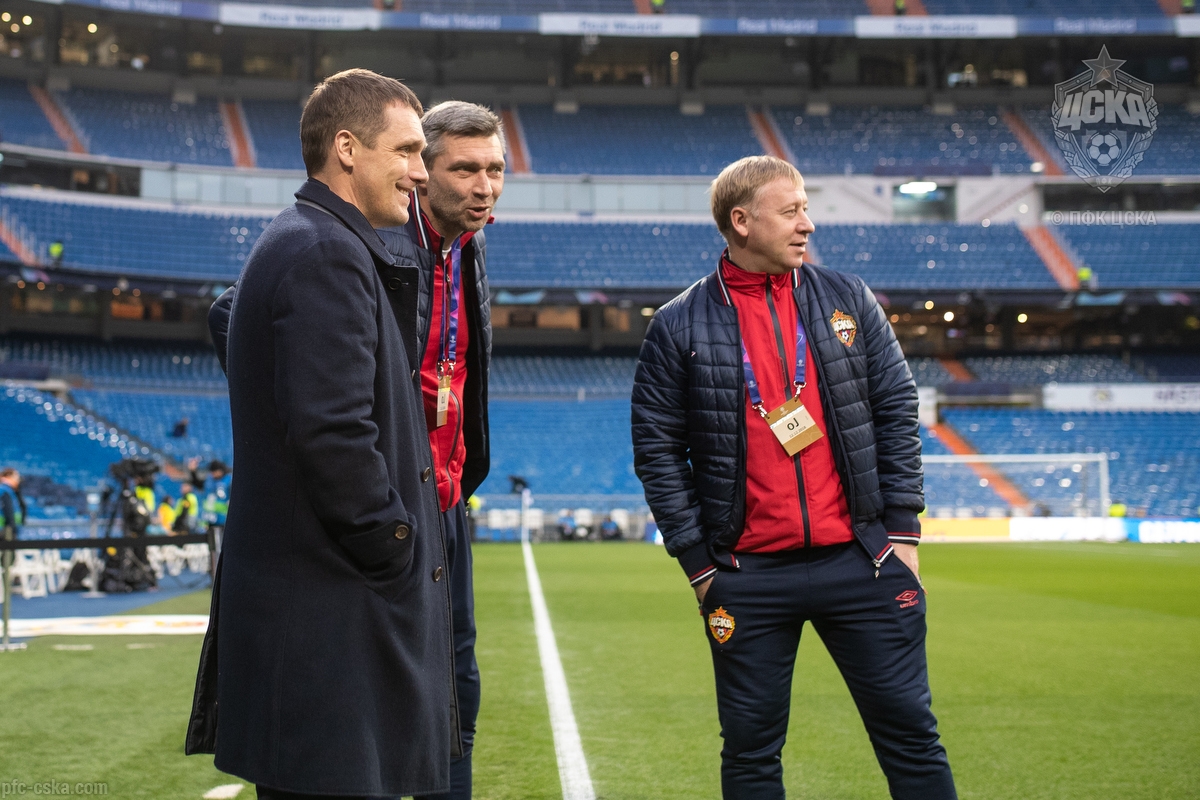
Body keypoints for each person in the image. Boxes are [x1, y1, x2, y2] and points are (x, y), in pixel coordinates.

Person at [631, 156, 955, 800]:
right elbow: (658, 449)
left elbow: (896, 408)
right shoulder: (678, 323)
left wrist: (902, 533)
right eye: (791, 212)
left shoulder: (848, 298)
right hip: (745, 574)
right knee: (751, 752)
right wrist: (700, 566)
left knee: (912, 737)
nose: (808, 224)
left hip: (862, 561)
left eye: (806, 208)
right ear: (742, 222)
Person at [185, 69, 458, 799]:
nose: (420, 172)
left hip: (313, 605)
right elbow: (333, 433)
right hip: (325, 615)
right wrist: (394, 542)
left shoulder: (307, 238)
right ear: (346, 148)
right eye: (406, 151)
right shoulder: (326, 251)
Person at [378, 100, 501, 800]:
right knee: (372, 694)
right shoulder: (373, 240)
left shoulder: (467, 247)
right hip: (385, 504)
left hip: (445, 501)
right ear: (424, 171)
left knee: (457, 691)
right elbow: (235, 316)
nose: (484, 187)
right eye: (465, 170)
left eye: (495, 170)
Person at [0, 469, 24, 538]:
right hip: (6, 530)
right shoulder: (5, 490)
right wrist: (12, 529)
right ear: (8, 477)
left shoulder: (8, 490)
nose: (18, 480)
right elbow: (8, 510)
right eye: (16, 477)